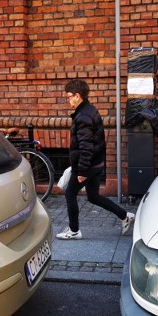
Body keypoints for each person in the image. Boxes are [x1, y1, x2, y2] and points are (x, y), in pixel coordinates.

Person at [56, 79, 135, 240]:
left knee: (70, 194)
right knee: (93, 196)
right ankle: (125, 216)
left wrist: (82, 171)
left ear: (77, 96)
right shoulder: (89, 110)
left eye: (69, 96)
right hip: (96, 163)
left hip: (88, 166)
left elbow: (86, 146)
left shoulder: (83, 116)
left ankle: (74, 230)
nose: (68, 100)